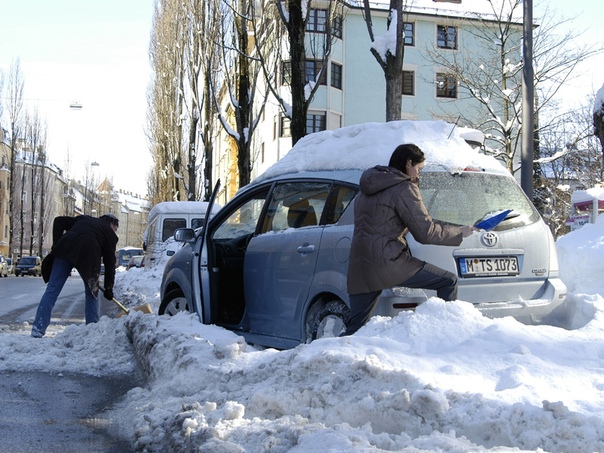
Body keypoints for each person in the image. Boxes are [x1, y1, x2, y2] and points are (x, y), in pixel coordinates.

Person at [344, 144, 476, 335]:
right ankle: (447, 337)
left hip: (360, 264)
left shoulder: (367, 186)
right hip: (389, 262)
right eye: (419, 169)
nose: (418, 175)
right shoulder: (404, 187)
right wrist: (459, 233)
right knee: (448, 281)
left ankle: (321, 357)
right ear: (408, 163)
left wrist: (453, 227)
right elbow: (425, 232)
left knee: (354, 330)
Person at [31, 214, 119, 338]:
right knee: (91, 293)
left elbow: (59, 221)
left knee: (52, 290)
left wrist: (56, 243)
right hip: (88, 255)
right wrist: (109, 287)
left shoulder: (84, 218)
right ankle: (91, 330)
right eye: (116, 228)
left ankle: (37, 329)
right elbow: (110, 262)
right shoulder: (110, 234)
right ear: (112, 224)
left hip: (64, 248)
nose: (115, 232)